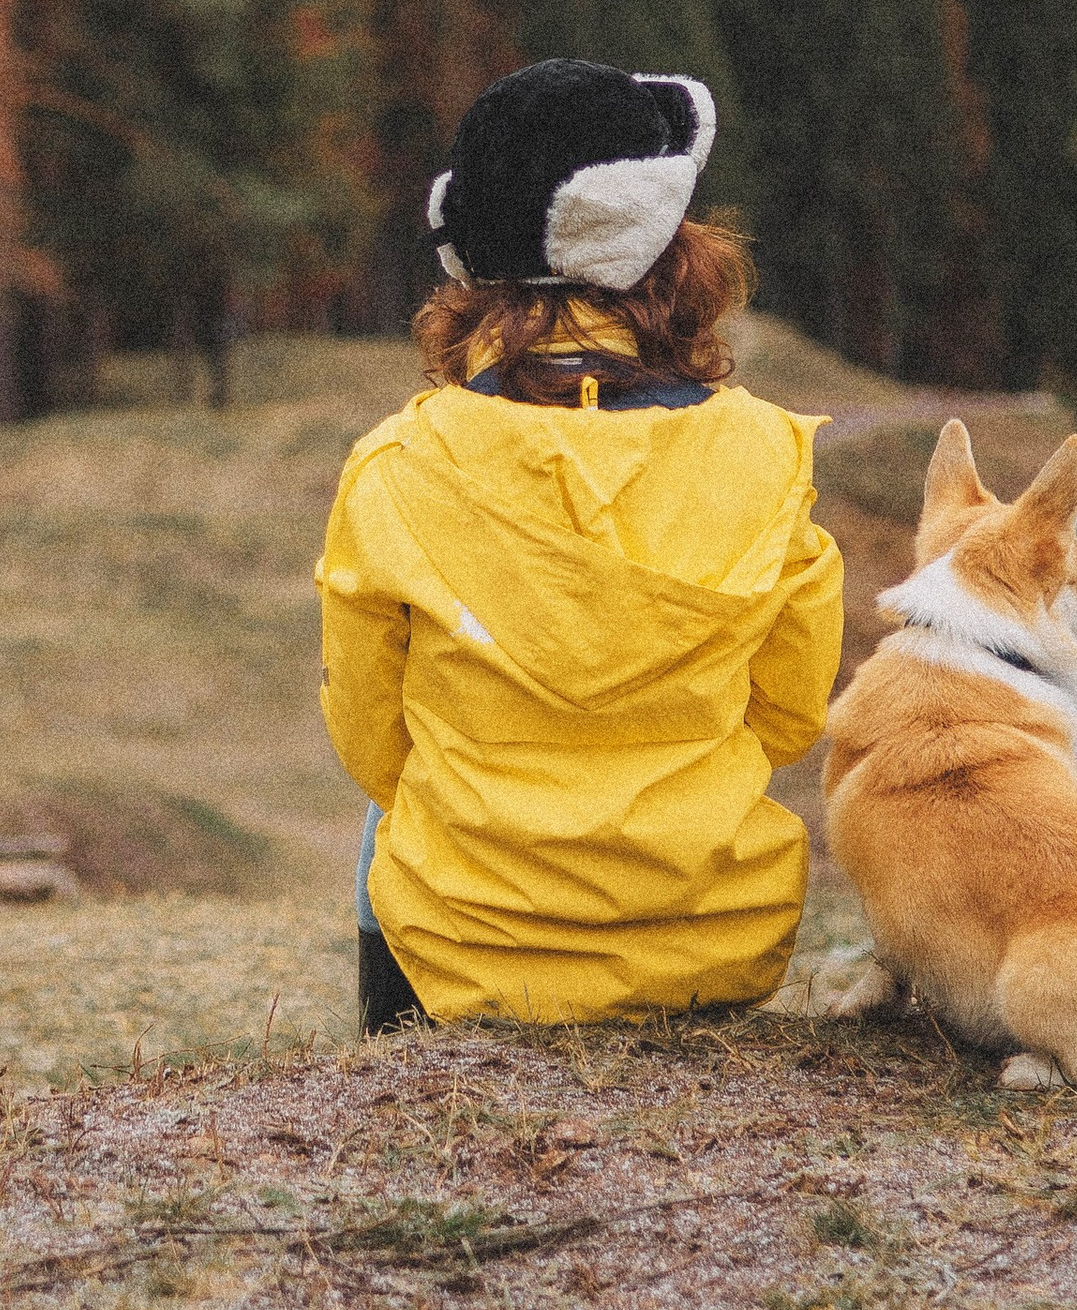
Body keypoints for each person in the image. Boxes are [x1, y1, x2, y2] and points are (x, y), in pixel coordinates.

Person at [318, 58, 844, 1035]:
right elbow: (787, 717)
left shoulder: (394, 464)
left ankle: (387, 1042)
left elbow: (369, 739)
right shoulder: (766, 454)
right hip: (711, 945)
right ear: (674, 250)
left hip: (467, 956)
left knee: (383, 819)